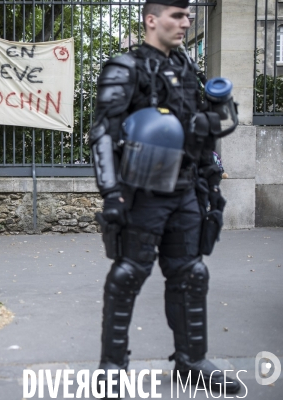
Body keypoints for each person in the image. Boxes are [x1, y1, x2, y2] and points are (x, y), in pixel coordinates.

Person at [90, 0, 240, 397]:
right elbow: (104, 132)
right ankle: (111, 368)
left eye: (188, 16)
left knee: (191, 274)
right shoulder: (126, 67)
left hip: (186, 190)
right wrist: (112, 194)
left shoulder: (188, 69)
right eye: (178, 16)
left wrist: (210, 178)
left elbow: (202, 135)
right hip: (144, 192)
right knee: (127, 276)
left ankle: (190, 362)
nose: (186, 23)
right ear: (152, 20)